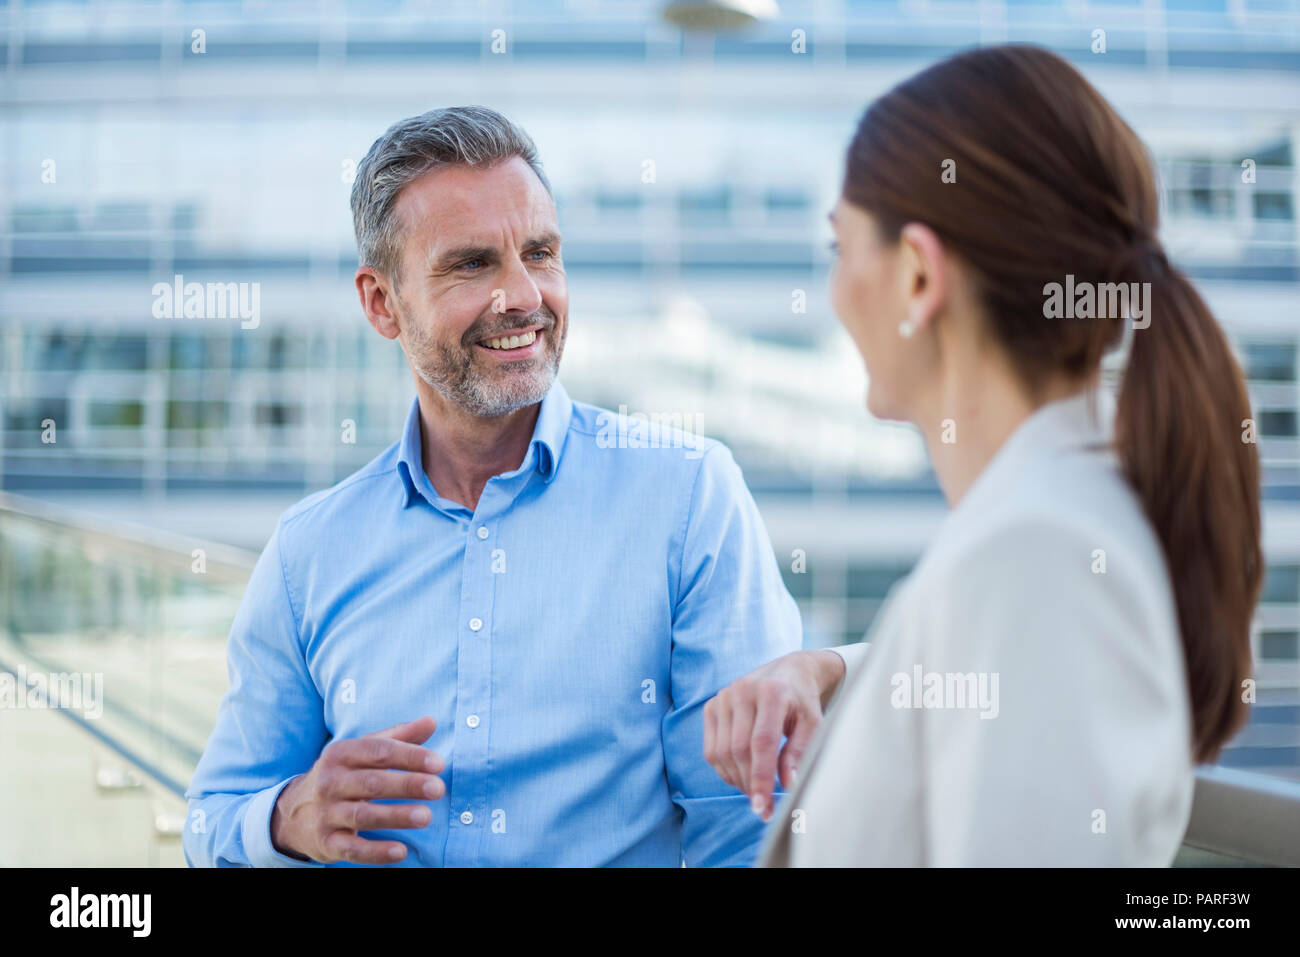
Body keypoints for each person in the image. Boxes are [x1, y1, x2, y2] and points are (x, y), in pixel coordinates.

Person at [182, 106, 853, 868]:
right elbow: (210, 818)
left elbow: (745, 825)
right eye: (472, 263)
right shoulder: (310, 551)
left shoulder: (688, 498)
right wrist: (283, 818)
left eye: (540, 252)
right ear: (380, 303)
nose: (523, 295)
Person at [704, 44, 1262, 866]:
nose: (834, 289)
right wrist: (825, 668)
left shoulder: (1036, 554)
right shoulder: (1061, 523)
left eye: (840, 247)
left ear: (919, 278)